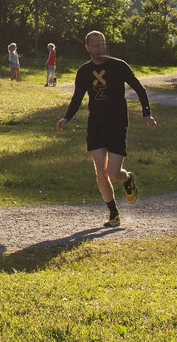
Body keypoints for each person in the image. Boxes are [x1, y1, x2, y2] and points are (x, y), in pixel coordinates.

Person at [55, 30, 158, 227]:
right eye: (95, 45)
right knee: (101, 172)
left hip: (118, 124)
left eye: (102, 44)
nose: (99, 48)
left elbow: (139, 89)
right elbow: (77, 98)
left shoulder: (119, 66)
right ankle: (113, 212)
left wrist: (147, 113)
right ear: (87, 47)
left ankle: (127, 179)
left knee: (113, 173)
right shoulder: (84, 71)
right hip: (96, 125)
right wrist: (66, 118)